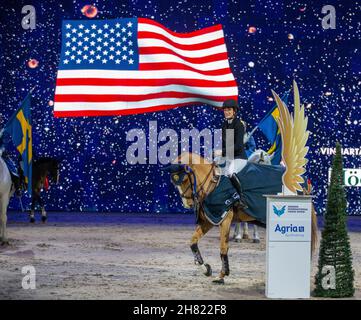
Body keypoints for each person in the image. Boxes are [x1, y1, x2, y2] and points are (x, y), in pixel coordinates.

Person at [214, 99, 248, 208]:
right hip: (230, 156)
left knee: (229, 172)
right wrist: (218, 154)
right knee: (213, 165)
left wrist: (222, 152)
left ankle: (242, 198)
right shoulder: (225, 125)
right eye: (225, 110)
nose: (226, 112)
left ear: (234, 111)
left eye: (229, 110)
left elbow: (238, 146)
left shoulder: (239, 125)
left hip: (239, 157)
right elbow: (227, 144)